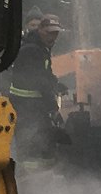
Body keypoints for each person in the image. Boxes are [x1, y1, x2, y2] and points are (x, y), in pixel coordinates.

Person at [6, 14, 69, 157]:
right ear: (40, 29)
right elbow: (40, 82)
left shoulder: (41, 47)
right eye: (49, 33)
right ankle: (29, 177)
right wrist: (53, 109)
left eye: (55, 33)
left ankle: (41, 174)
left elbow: (45, 73)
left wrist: (56, 84)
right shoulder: (32, 50)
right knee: (31, 146)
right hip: (26, 107)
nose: (52, 37)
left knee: (39, 143)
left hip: (34, 106)